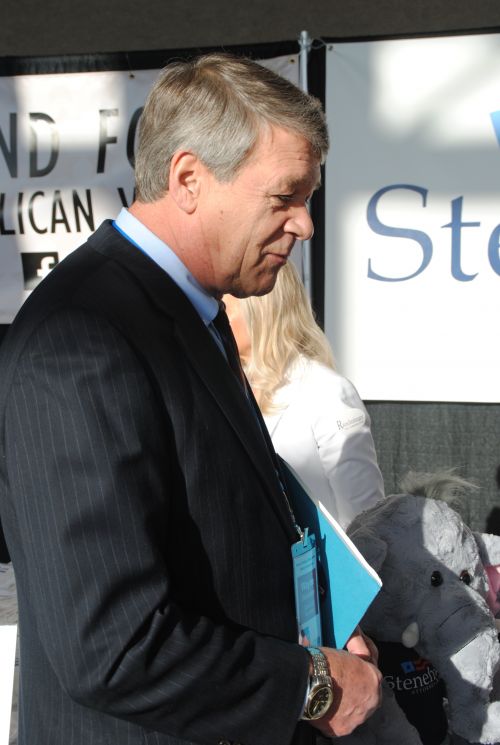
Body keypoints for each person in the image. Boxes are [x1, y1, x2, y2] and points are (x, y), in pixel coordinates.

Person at [0, 53, 381, 745]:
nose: (305, 226)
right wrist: (310, 684)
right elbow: (111, 645)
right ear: (188, 179)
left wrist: (316, 631)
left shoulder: (188, 312)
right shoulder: (83, 340)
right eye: (285, 197)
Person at [224, 261, 384, 529]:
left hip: (318, 568)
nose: (215, 316)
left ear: (261, 309)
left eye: (225, 307)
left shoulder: (327, 392)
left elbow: (366, 520)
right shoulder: (227, 387)